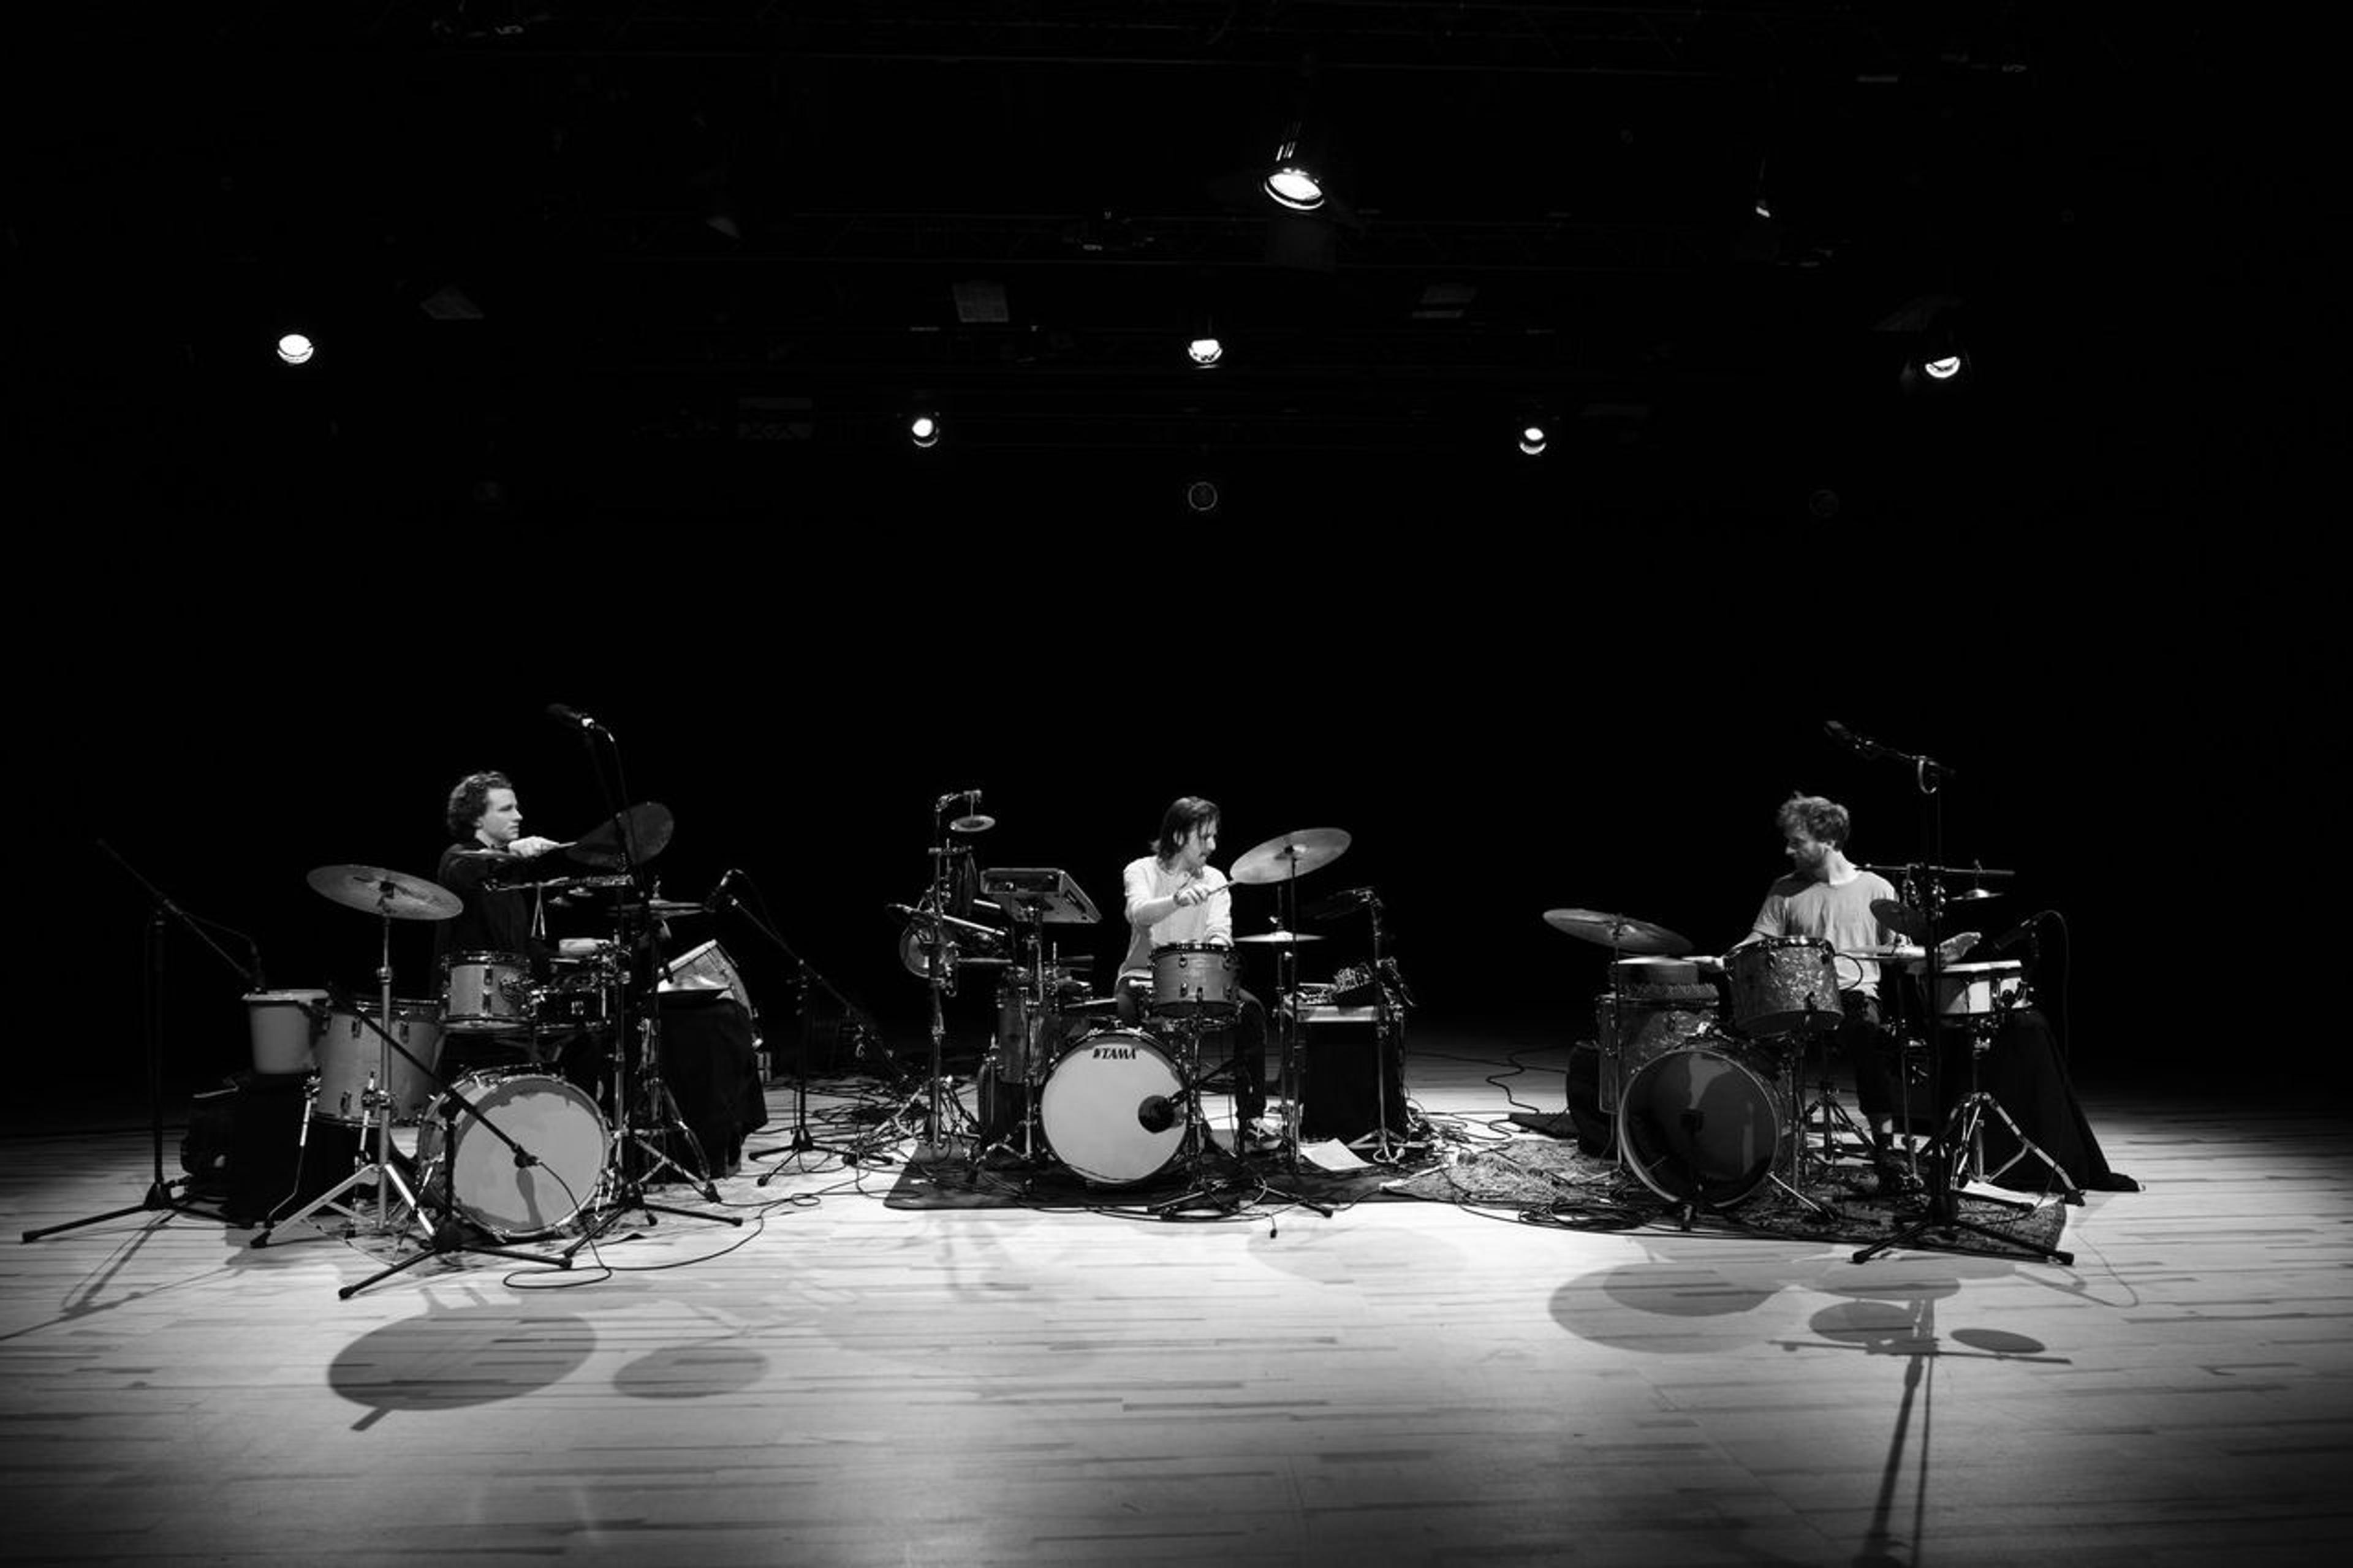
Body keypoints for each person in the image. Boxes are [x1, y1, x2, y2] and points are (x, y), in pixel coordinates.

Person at [1730, 793, 1925, 1180]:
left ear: (1830, 841)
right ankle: (1770, 1137)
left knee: (1868, 1037)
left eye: (1797, 842)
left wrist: (1933, 954)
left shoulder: (1877, 889)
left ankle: (1885, 1147)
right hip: (1795, 994)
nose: (1788, 850)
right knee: (1753, 1038)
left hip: (1856, 994)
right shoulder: (1784, 889)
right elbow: (1759, 938)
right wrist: (1731, 954)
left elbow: (1901, 952)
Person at [1117, 797, 1268, 1132]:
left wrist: (1216, 953)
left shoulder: (1215, 879)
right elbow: (1138, 912)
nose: (1212, 846)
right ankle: (1135, 1113)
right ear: (1178, 836)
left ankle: (1251, 1118)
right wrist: (1176, 900)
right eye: (1204, 837)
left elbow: (1220, 933)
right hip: (1145, 975)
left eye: (1214, 836)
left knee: (1252, 1011)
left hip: (1201, 977)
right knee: (1124, 1010)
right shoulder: (1140, 869)